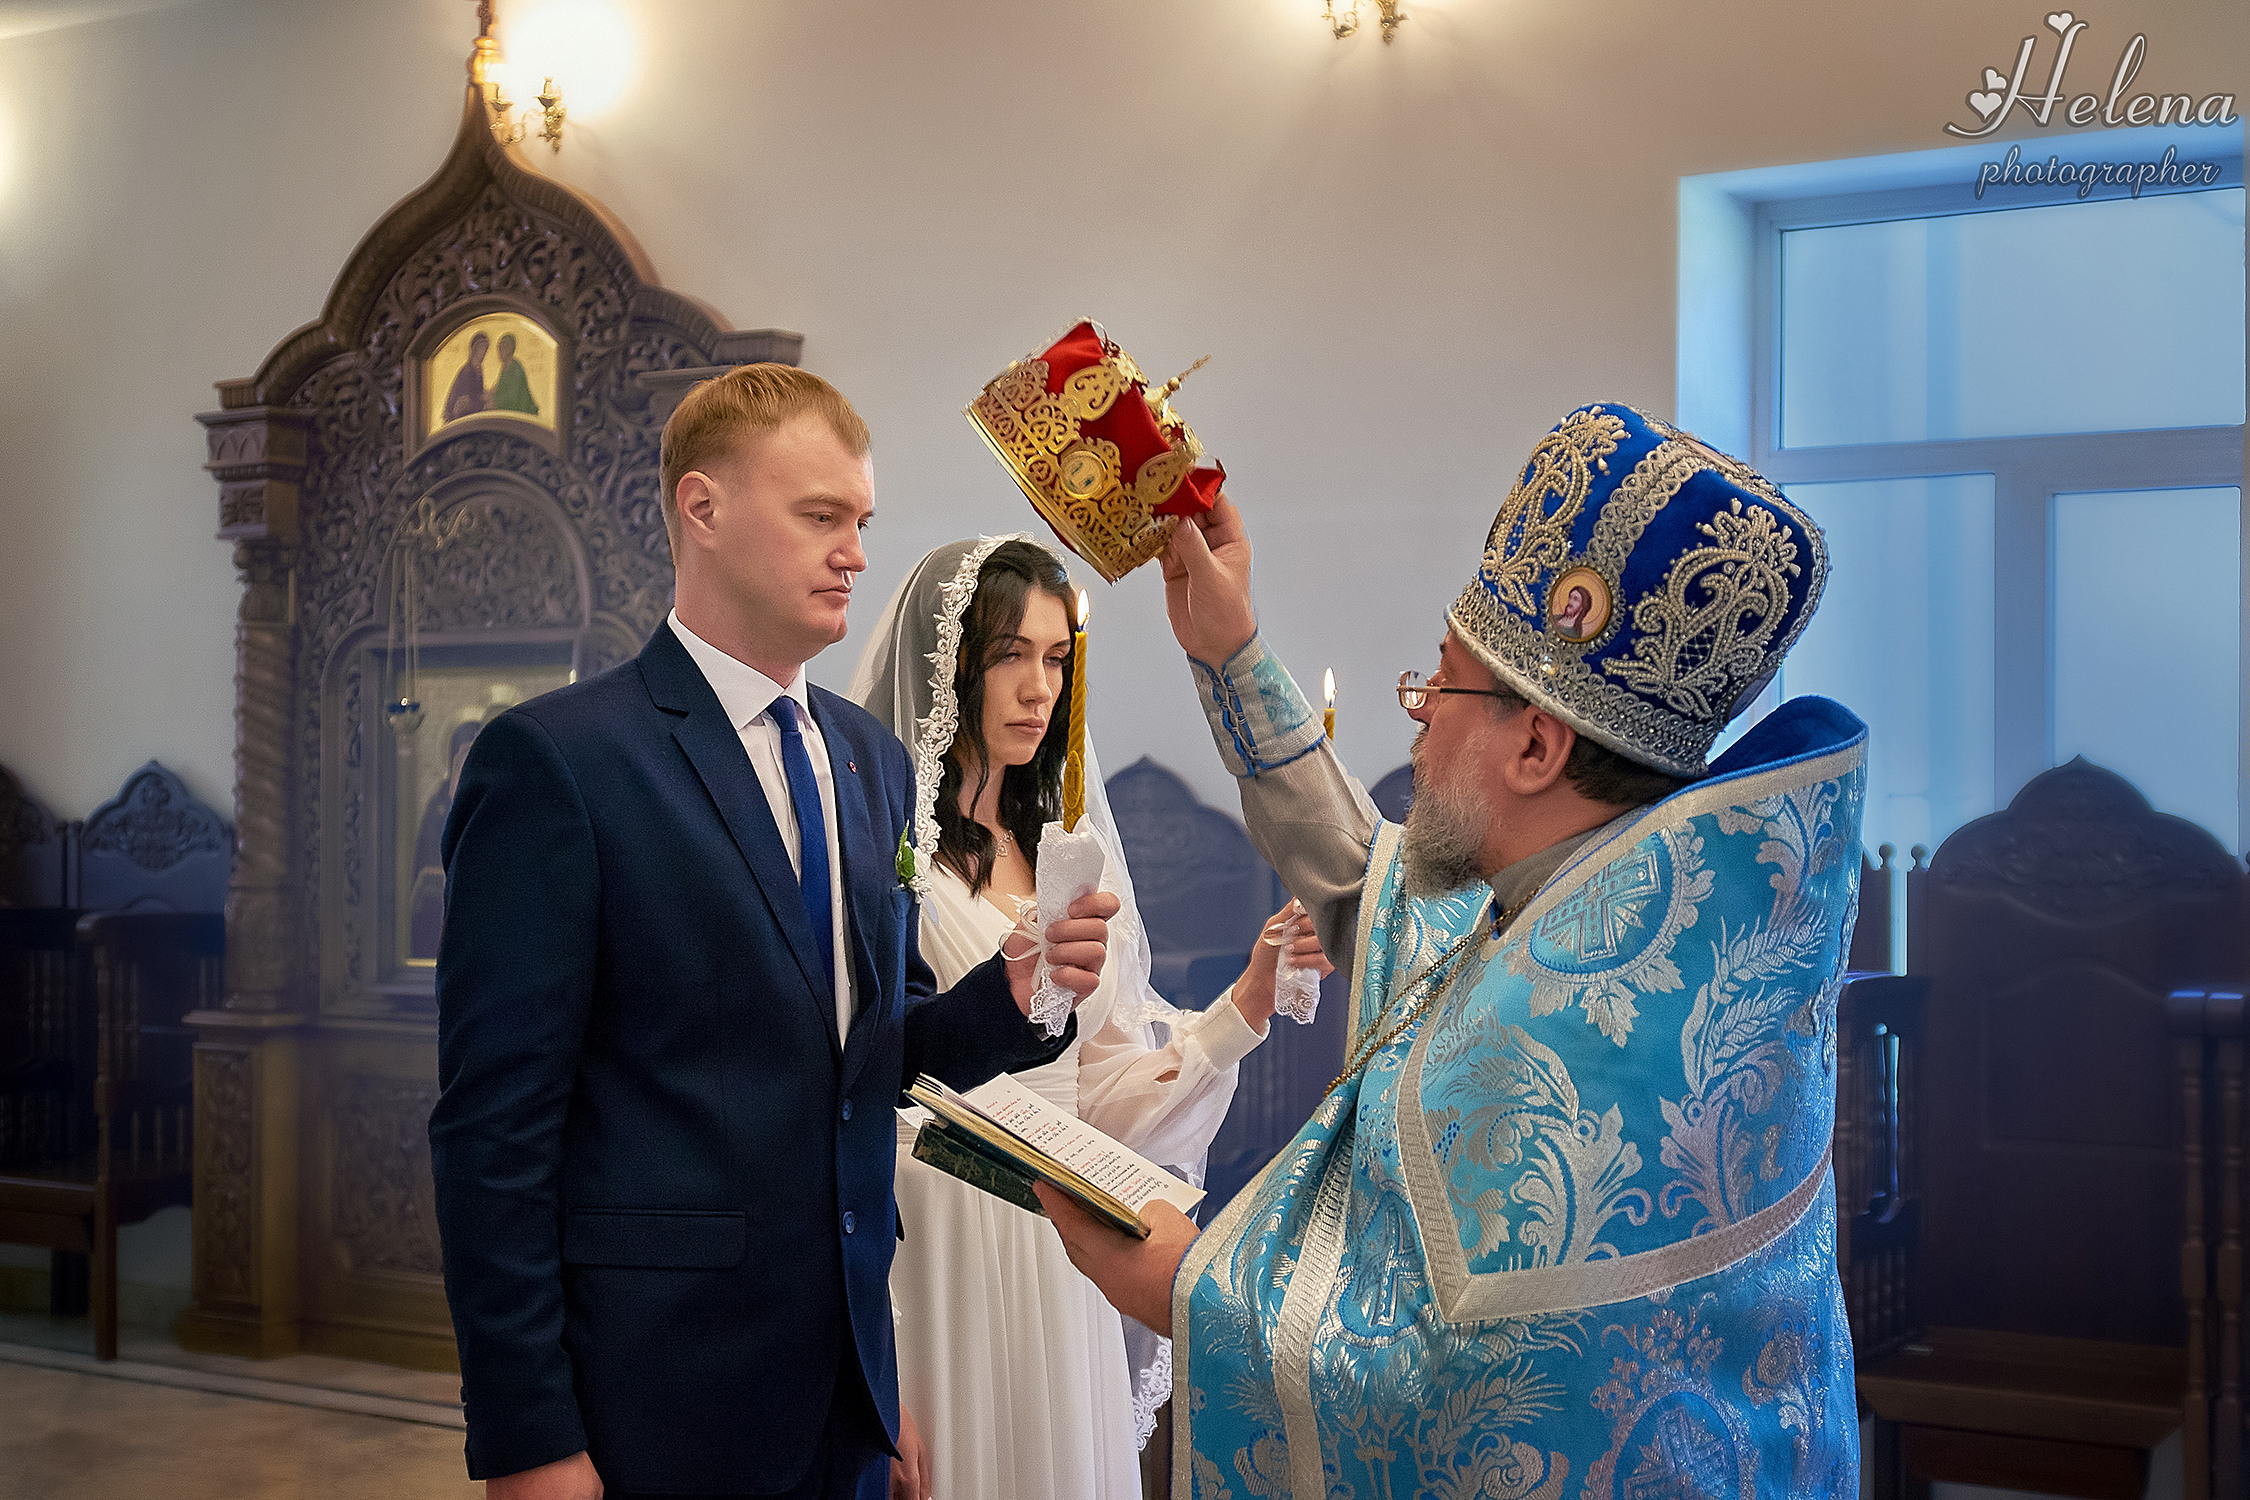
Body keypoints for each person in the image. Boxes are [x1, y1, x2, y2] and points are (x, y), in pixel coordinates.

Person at [1037, 401, 1866, 1497]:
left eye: (1439, 685)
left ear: (1535, 743)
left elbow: (1458, 1403)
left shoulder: (1583, 1035)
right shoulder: (1612, 918)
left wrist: (1183, 1286)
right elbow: (1361, 881)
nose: (1418, 719)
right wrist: (1228, 651)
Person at [428, 364, 1119, 1500]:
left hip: (840, 1382)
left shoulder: (868, 758)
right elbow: (492, 1135)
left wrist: (1015, 990)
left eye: (861, 521)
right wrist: (529, 1439)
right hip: (657, 1390)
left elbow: (868, 1057)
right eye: (820, 517)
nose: (854, 550)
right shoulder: (564, 763)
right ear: (702, 508)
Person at [846, 535, 1331, 1500]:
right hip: (934, 1238)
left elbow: (1104, 1094)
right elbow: (857, 1066)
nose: (1039, 689)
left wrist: (1247, 1001)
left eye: (1056, 658)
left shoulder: (1072, 857)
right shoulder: (888, 852)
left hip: (1055, 1236)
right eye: (1008, 656)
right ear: (951, 668)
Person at [443, 331, 490, 422]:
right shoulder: (467, 371)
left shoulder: (478, 369)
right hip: (459, 414)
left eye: (485, 348)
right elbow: (466, 398)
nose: (484, 351)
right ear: (474, 349)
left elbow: (477, 391)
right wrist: (483, 398)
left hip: (471, 411)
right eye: (481, 347)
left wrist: (484, 395)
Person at [491, 331, 540, 415]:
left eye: (502, 348)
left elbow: (512, 396)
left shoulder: (516, 368)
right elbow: (501, 389)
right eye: (499, 348)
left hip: (522, 413)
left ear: (509, 349)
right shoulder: (505, 368)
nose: (499, 352)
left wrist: (494, 400)